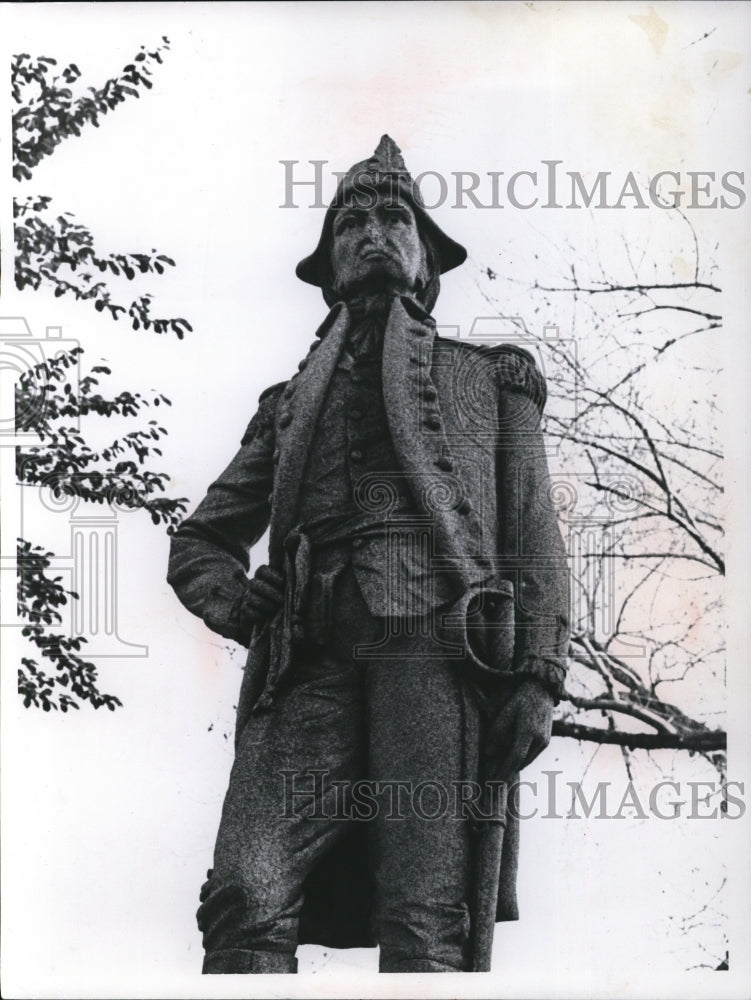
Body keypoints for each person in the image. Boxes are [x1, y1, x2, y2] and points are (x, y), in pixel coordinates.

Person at [167, 135, 570, 974]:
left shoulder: (492, 380)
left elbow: (533, 537)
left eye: (395, 219)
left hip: (435, 654)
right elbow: (202, 538)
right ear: (330, 263)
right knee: (244, 891)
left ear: (425, 259)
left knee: (425, 917)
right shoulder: (284, 407)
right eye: (350, 224)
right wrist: (240, 603)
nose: (373, 233)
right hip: (306, 659)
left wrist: (537, 674)